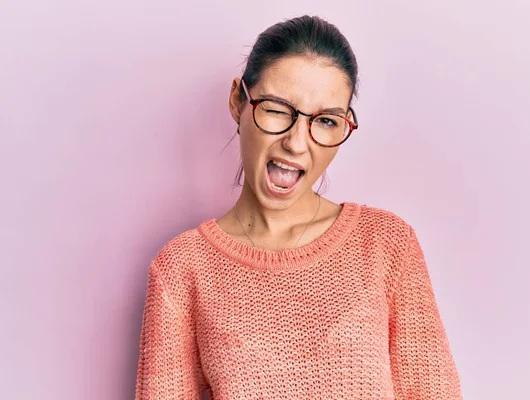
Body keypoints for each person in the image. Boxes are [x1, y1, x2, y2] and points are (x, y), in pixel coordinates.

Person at [134, 15, 462, 400]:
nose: (296, 143)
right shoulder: (182, 270)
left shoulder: (386, 245)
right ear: (238, 101)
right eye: (276, 109)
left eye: (325, 120)